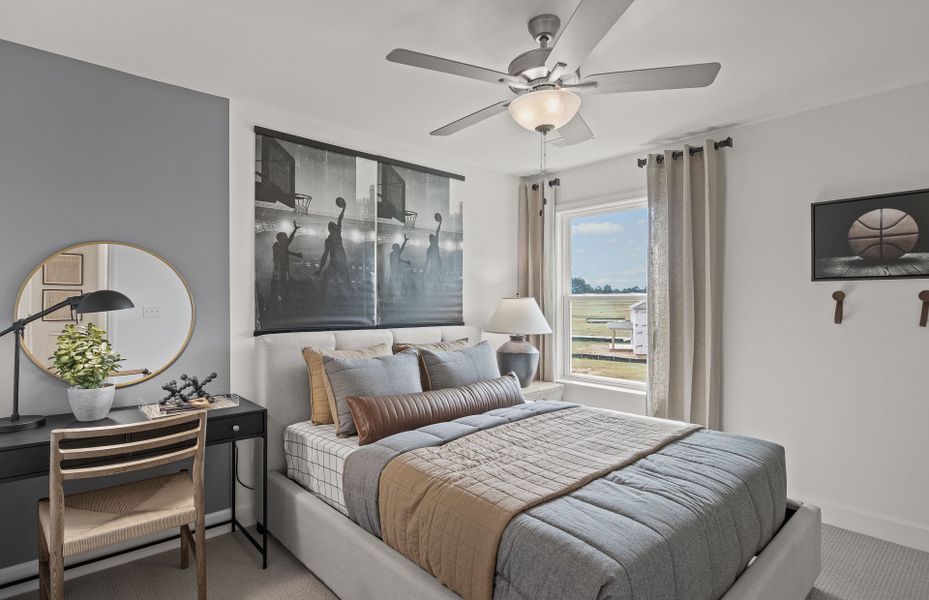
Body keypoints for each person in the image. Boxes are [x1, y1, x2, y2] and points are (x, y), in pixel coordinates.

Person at [317, 197, 349, 292]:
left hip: (342, 262)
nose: (336, 229)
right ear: (330, 229)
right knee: (326, 281)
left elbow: (340, 219)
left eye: (336, 227)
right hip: (335, 262)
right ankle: (324, 298)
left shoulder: (337, 234)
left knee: (344, 282)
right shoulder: (329, 240)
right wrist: (320, 269)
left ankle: (345, 296)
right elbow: (325, 255)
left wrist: (344, 208)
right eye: (334, 228)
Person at [271, 220, 302, 299]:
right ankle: (279, 297)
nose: (287, 238)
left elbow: (290, 240)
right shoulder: (276, 246)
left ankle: (284, 296)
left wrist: (295, 229)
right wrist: (296, 254)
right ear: (280, 239)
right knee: (280, 283)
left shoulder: (283, 244)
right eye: (285, 237)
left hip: (284, 267)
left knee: (285, 282)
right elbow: (285, 252)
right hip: (279, 268)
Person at [388, 235, 411, 300]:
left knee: (399, 284)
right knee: (395, 284)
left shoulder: (395, 253)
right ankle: (394, 296)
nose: (399, 248)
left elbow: (401, 250)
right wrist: (405, 262)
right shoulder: (393, 254)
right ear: (394, 248)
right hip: (395, 272)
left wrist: (405, 241)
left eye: (398, 247)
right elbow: (398, 259)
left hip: (396, 272)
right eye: (397, 247)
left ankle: (398, 295)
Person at [423, 213, 443, 284]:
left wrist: (440, 223)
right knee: (435, 278)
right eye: (432, 237)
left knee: (437, 277)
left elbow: (437, 231)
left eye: (433, 237)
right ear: (430, 240)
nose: (434, 238)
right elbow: (427, 260)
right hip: (434, 263)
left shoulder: (435, 244)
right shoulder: (430, 248)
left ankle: (439, 284)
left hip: (437, 262)